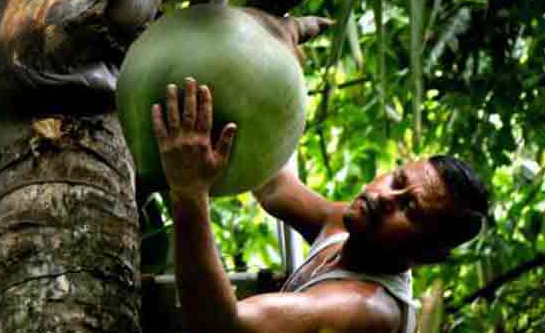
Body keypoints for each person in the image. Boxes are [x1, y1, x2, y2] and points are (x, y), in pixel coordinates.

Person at [152, 77, 489, 333]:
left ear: (427, 254)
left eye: (410, 209)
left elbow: (222, 326)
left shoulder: (366, 309)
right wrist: (257, 73)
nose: (385, 198)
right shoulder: (354, 223)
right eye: (397, 180)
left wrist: (189, 191)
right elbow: (274, 187)